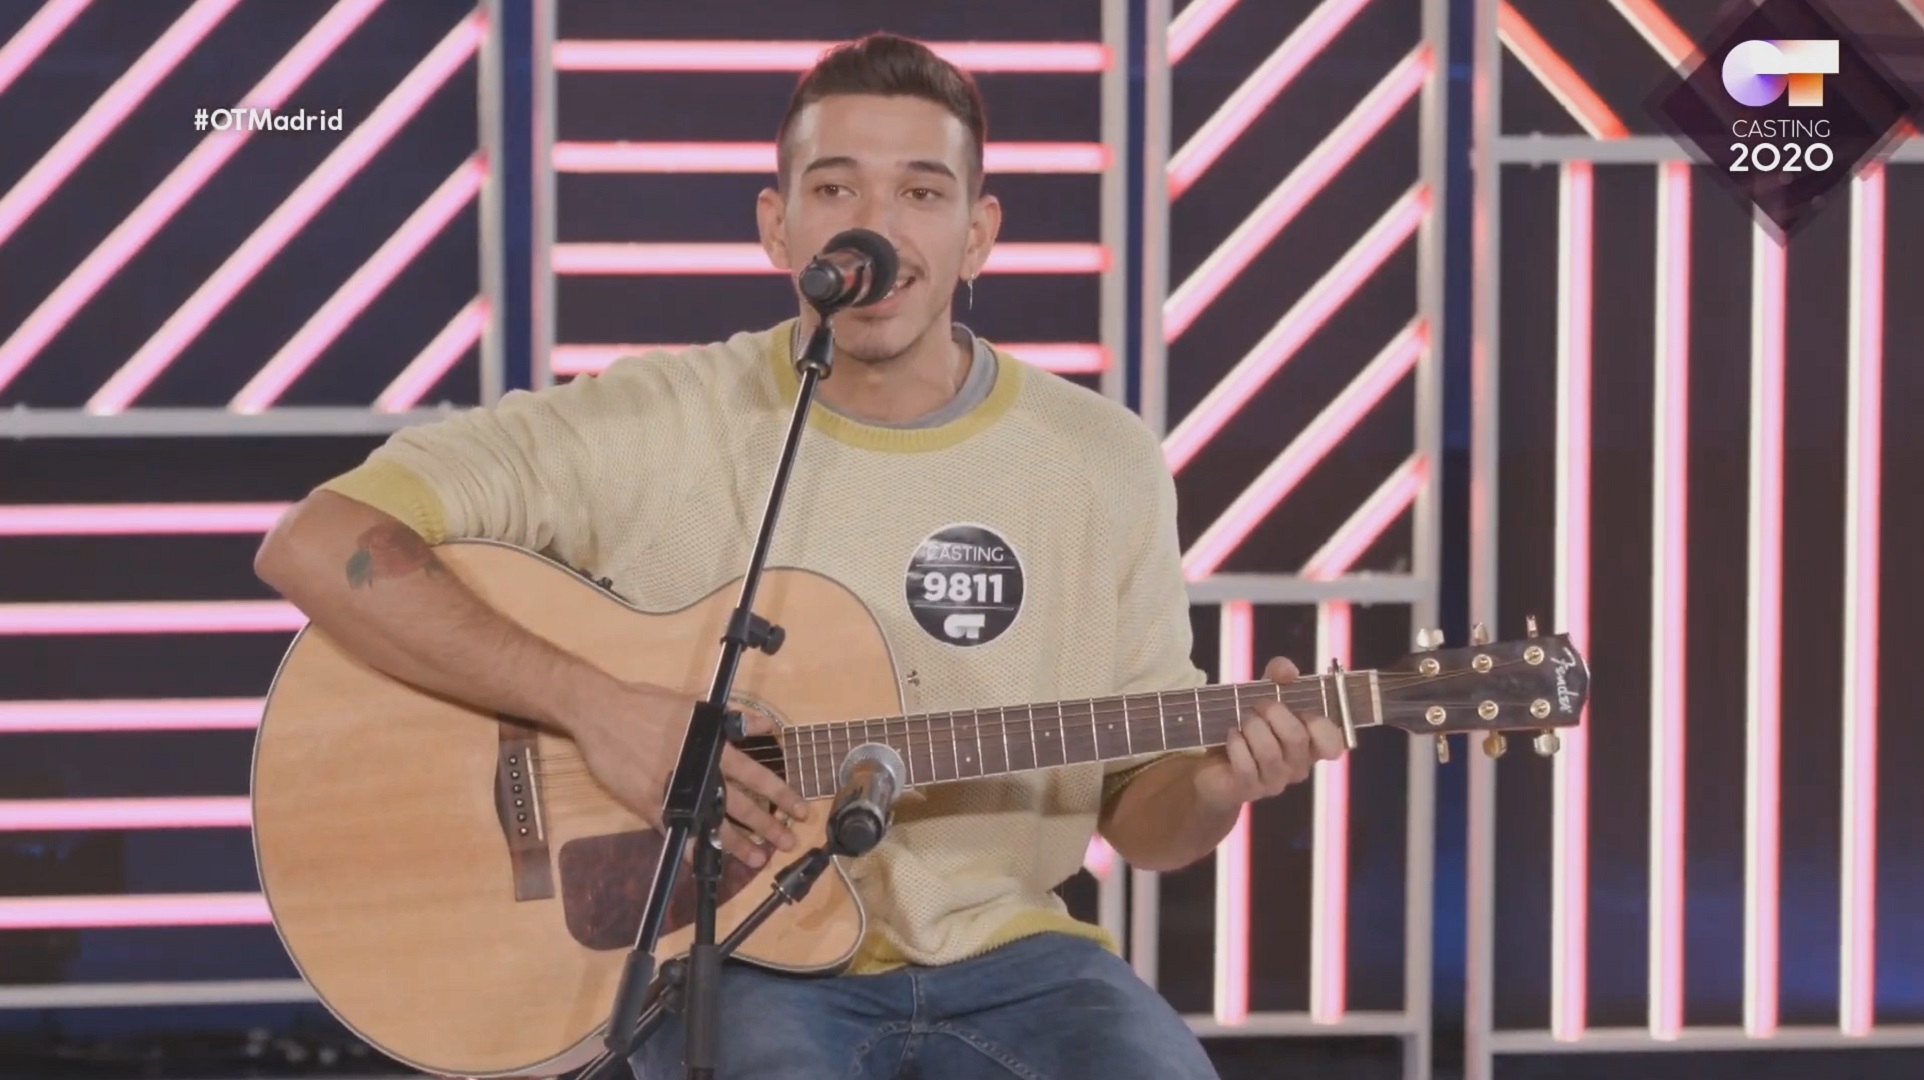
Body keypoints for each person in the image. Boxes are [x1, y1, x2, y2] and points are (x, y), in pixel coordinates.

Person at [254, 31, 1347, 1080]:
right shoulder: (657, 420)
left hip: (1019, 966)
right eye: (836, 189)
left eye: (922, 193)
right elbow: (319, 541)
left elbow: (1144, 818)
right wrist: (597, 709)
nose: (877, 229)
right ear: (778, 227)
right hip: (737, 959)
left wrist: (1215, 784)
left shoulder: (1101, 460)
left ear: (978, 235)